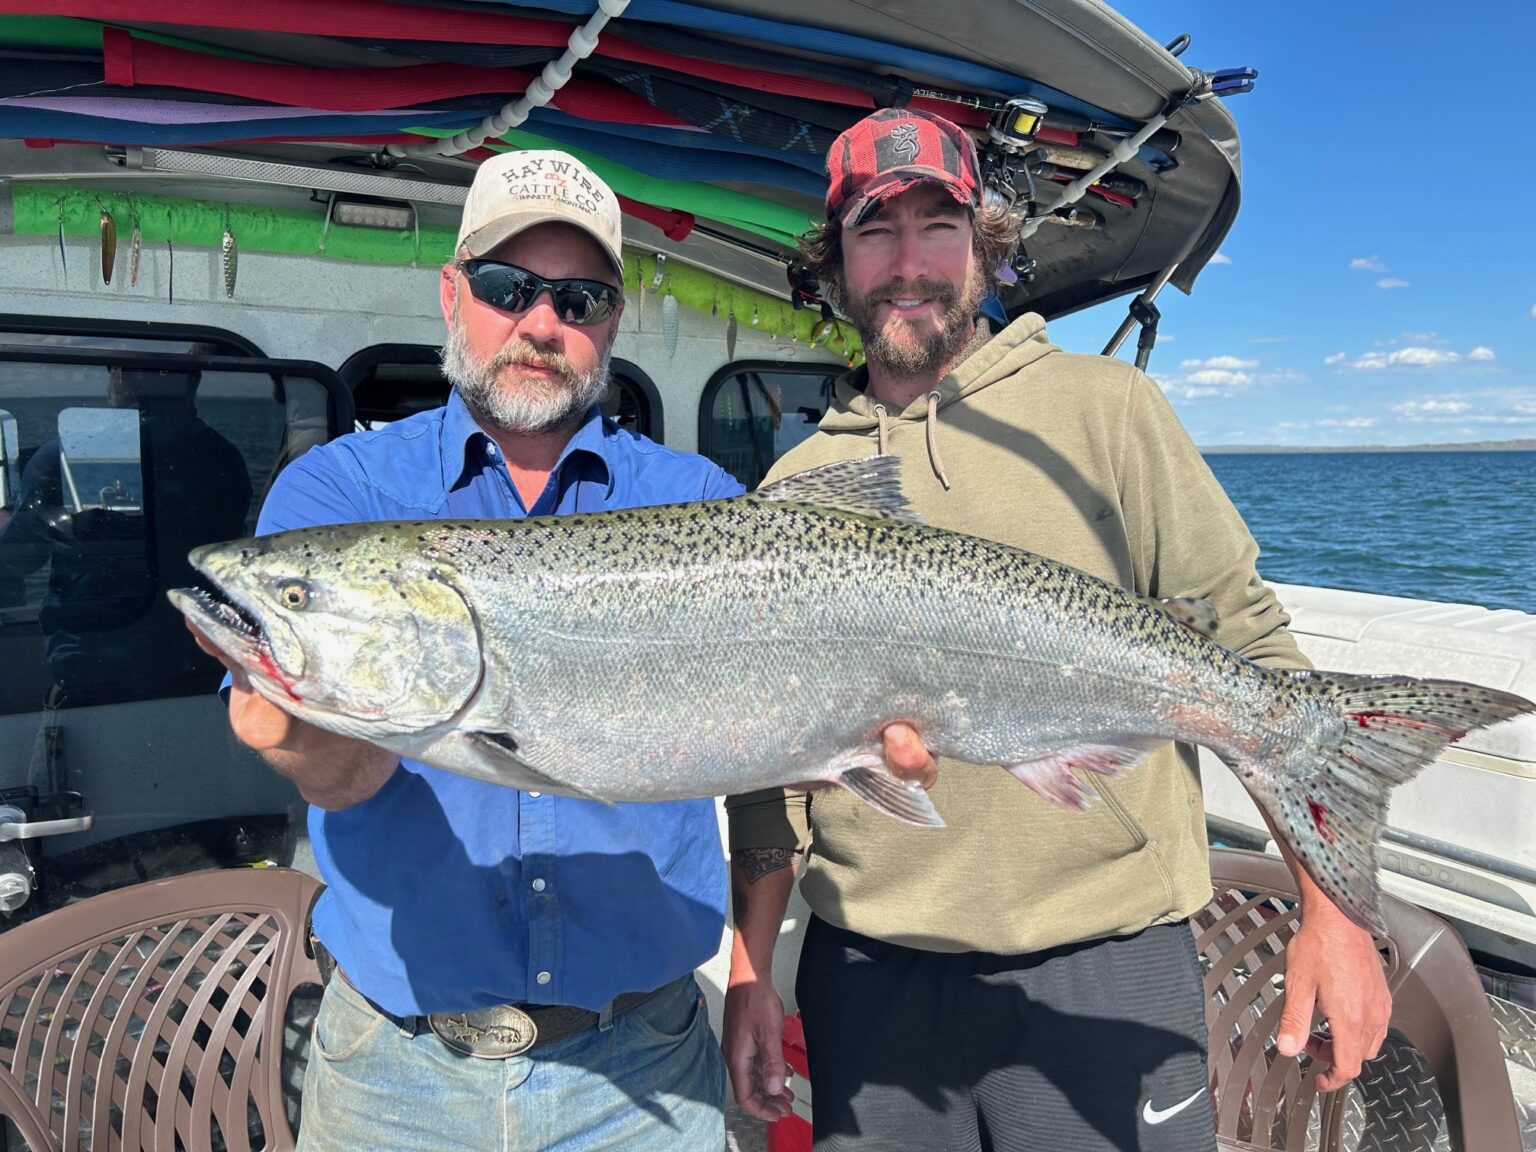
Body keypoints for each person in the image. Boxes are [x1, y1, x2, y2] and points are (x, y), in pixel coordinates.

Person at [188, 148, 930, 1152]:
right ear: (453, 293)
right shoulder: (341, 496)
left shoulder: (703, 501)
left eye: (578, 299)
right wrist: (292, 714)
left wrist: (754, 968)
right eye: (508, 288)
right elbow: (341, 778)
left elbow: (763, 774)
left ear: (611, 324)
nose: (542, 322)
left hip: (644, 1065)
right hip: (397, 1078)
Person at [722, 109, 1391, 1152]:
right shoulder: (797, 489)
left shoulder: (1110, 413)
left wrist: (1339, 918)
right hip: (869, 971)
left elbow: (1252, 652)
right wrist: (754, 972)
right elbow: (763, 776)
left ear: (984, 244)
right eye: (873, 229)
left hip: (1106, 954)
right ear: (836, 262)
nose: (908, 263)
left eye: (937, 225)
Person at [0, 352, 250, 705]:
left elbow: (18, 560)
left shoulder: (62, 455)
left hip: (94, 666)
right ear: (191, 384)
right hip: (203, 661)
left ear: (120, 376)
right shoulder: (226, 458)